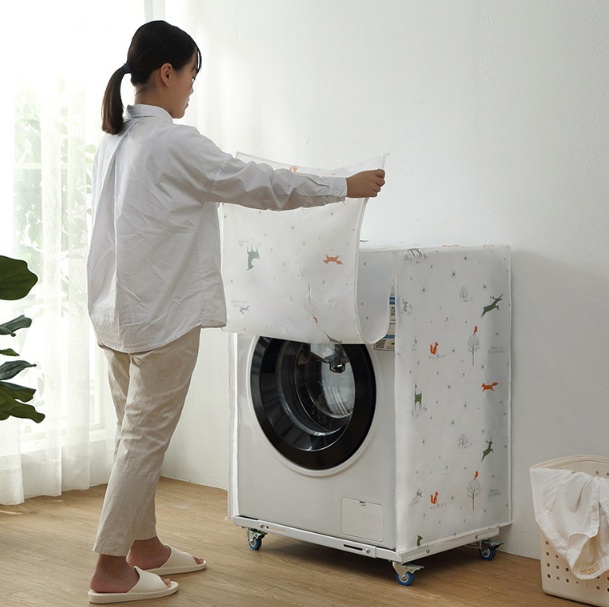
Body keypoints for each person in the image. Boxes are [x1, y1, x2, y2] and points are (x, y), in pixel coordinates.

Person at [86, 19, 385, 604]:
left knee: (132, 438)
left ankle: (144, 546)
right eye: (191, 75)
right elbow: (258, 184)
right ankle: (109, 568)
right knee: (143, 441)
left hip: (116, 314)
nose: (192, 88)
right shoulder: (173, 141)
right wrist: (342, 185)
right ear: (166, 73)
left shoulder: (115, 139)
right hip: (162, 317)